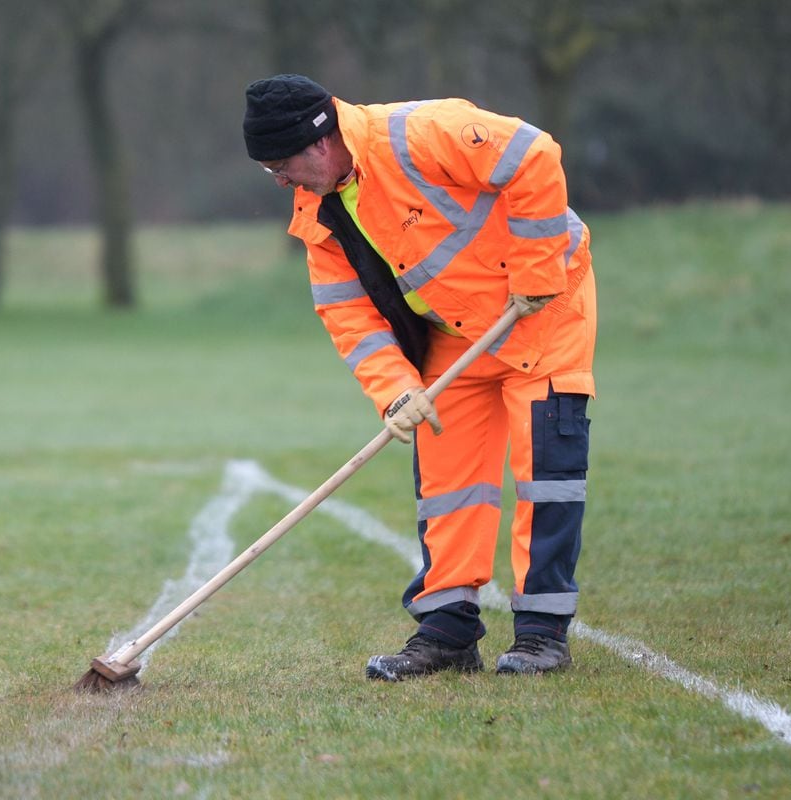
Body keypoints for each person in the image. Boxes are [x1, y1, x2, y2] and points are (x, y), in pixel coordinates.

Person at [243, 74, 596, 680]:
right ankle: (447, 633)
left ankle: (541, 635)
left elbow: (534, 155)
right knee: (448, 485)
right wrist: (395, 390)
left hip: (543, 311)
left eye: (282, 164)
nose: (280, 181)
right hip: (455, 336)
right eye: (269, 169)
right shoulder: (318, 214)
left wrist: (537, 269)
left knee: (546, 475)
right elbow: (346, 312)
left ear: (320, 143)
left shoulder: (418, 133)